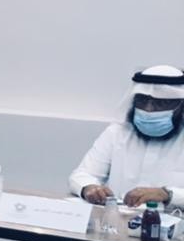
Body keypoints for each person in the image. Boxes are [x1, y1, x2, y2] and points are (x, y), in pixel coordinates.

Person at [69, 65, 184, 208]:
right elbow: (81, 175)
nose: (148, 109)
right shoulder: (117, 132)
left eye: (161, 103)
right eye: (142, 100)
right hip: (118, 218)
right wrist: (89, 187)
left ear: (181, 106)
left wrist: (167, 194)